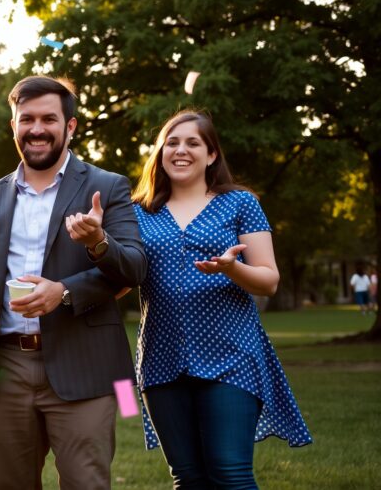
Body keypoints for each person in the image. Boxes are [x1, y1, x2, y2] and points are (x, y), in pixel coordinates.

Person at [0, 75, 147, 489]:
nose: (37, 129)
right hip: (5, 368)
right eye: (26, 119)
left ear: (70, 125)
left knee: (86, 484)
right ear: (13, 125)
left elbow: (134, 268)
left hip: (85, 364)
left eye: (49, 118)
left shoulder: (108, 186)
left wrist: (91, 252)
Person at [129, 110, 312, 488]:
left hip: (230, 355)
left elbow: (269, 280)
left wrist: (232, 269)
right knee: (187, 478)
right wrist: (96, 245)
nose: (180, 150)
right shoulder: (138, 213)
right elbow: (120, 277)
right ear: (160, 152)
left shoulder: (240, 204)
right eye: (171, 142)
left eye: (193, 143)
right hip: (161, 359)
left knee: (230, 473)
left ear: (211, 154)